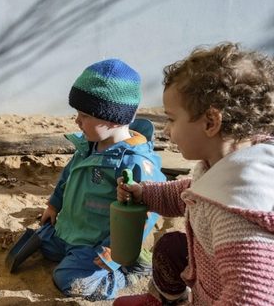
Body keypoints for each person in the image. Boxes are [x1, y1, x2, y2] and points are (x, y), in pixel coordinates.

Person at [113, 42, 274, 306]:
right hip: (207, 273)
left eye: (172, 120)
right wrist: (145, 193)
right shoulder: (226, 166)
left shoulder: (235, 214)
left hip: (218, 296)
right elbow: (193, 192)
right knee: (171, 248)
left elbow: (252, 296)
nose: (167, 131)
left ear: (210, 122)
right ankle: (169, 300)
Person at [8, 59, 166, 301]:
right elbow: (68, 176)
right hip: (71, 228)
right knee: (43, 241)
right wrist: (54, 205)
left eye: (84, 115)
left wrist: (117, 250)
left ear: (112, 117)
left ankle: (128, 272)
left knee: (70, 281)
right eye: (77, 113)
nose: (77, 121)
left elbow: (146, 212)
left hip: (98, 242)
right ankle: (65, 244)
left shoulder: (134, 161)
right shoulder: (88, 145)